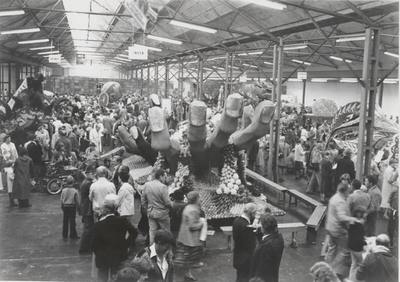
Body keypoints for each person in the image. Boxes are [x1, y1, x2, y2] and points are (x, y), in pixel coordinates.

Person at [92, 194, 138, 282]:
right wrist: (126, 244)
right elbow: (134, 232)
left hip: (103, 256)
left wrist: (98, 252)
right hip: (118, 254)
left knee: (102, 278)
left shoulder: (98, 225)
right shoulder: (122, 221)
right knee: (117, 277)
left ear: (105, 210)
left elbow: (94, 243)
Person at [325, 183, 358, 280]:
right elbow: (341, 217)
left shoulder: (334, 197)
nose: (349, 193)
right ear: (344, 191)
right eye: (348, 191)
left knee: (332, 248)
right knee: (346, 249)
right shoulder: (340, 201)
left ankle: (327, 268)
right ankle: (334, 268)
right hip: (338, 230)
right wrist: (353, 219)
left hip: (330, 227)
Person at [175, 191, 206, 281]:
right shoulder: (193, 210)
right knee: (188, 258)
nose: (201, 199)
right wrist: (201, 223)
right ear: (196, 199)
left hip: (184, 236)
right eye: (199, 197)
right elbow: (192, 226)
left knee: (187, 258)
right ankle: (186, 276)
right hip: (190, 239)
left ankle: (188, 274)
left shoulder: (188, 207)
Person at [141, 169, 173, 245]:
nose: (165, 179)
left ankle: (153, 253)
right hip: (162, 214)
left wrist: (147, 208)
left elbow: (143, 200)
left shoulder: (147, 185)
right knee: (166, 234)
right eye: (164, 177)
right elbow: (167, 202)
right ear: (160, 176)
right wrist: (173, 205)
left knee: (152, 234)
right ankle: (168, 253)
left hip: (151, 213)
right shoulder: (163, 187)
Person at [249, 214, 284, 282]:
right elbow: (264, 239)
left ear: (264, 227)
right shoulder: (278, 238)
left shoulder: (267, 246)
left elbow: (262, 266)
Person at [232, 203, 257, 282]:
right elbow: (250, 244)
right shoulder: (246, 226)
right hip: (246, 259)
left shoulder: (236, 221)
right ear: (251, 213)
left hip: (238, 256)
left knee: (239, 277)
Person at [79, 165, 96, 254]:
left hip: (85, 207)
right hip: (87, 208)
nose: (94, 175)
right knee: (88, 228)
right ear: (88, 174)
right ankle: (84, 247)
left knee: (88, 227)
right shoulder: (88, 183)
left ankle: (86, 246)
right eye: (92, 173)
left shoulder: (86, 182)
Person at [347, 205, 366, 282]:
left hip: (351, 246)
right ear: (360, 214)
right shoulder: (359, 225)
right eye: (364, 213)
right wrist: (365, 243)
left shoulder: (352, 222)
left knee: (354, 264)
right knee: (362, 265)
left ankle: (351, 279)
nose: (365, 214)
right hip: (357, 248)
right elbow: (358, 238)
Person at [387, 170, 398, 248]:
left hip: (395, 211)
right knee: (390, 227)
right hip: (393, 210)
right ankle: (391, 241)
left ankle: (391, 242)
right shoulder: (394, 193)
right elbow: (389, 201)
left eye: (394, 186)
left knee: (392, 227)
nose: (393, 188)